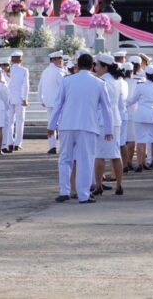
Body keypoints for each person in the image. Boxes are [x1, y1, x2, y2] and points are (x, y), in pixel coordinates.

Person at [48, 53, 113, 204]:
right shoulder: (99, 83)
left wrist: (51, 125)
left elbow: (58, 104)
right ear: (92, 66)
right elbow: (106, 109)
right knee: (85, 160)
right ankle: (83, 194)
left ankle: (64, 191)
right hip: (88, 126)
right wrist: (109, 129)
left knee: (65, 159)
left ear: (77, 65)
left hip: (67, 125)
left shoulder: (67, 81)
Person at [91, 54, 125, 197]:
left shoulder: (102, 81)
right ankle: (119, 185)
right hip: (116, 120)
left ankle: (98, 185)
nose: (95, 67)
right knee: (115, 155)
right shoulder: (118, 81)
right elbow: (121, 103)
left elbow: (95, 103)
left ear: (104, 67)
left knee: (99, 155)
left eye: (97, 65)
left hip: (103, 121)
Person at [38, 51, 66, 154]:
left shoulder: (45, 71)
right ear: (54, 60)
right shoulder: (59, 72)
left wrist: (41, 99)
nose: (61, 61)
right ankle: (62, 146)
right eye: (60, 59)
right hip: (59, 103)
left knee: (51, 124)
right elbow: (64, 87)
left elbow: (40, 86)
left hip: (48, 102)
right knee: (61, 125)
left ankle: (52, 146)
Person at [6, 50, 29, 153]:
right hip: (19, 98)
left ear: (12, 60)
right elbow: (25, 85)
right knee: (20, 121)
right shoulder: (24, 70)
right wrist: (24, 98)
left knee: (9, 121)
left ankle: (10, 143)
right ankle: (17, 144)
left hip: (9, 98)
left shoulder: (8, 70)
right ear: (20, 59)